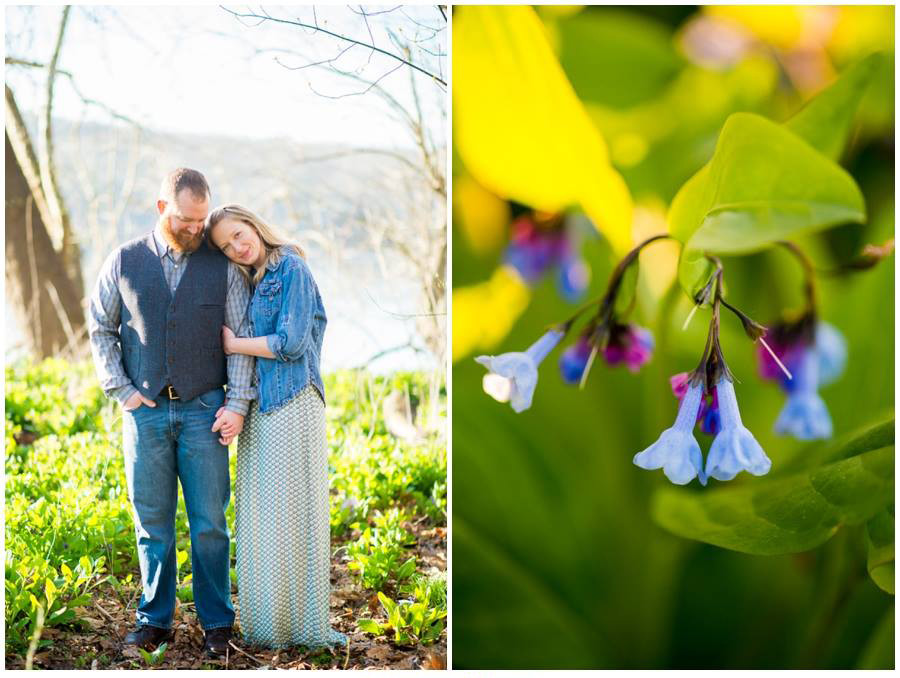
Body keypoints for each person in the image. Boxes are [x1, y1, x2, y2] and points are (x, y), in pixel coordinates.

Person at [88, 169, 255, 657]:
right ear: (162, 208)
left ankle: (218, 626)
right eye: (186, 219)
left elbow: (240, 338)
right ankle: (154, 621)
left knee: (209, 525)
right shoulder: (124, 260)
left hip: (206, 411)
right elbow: (100, 326)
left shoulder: (220, 265)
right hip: (146, 414)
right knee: (152, 523)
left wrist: (238, 404)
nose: (196, 229)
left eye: (203, 220)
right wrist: (121, 390)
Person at [206, 204, 346, 649]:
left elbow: (291, 342)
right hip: (261, 407)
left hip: (293, 402)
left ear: (252, 223)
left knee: (294, 517)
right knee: (262, 518)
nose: (237, 246)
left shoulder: (291, 268)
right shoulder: (252, 279)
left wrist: (234, 343)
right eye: (227, 246)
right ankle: (268, 627)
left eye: (239, 234)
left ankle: (302, 626)